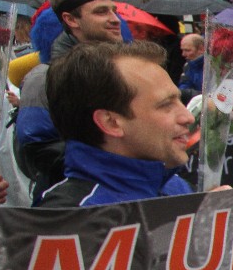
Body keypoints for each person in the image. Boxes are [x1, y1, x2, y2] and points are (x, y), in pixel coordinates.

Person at [38, 41, 195, 207]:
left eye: (179, 100)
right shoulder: (74, 215)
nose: (188, 117)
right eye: (166, 105)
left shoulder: (173, 185)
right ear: (111, 122)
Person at [17, 0, 124, 200]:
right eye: (101, 12)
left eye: (114, 11)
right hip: (74, 206)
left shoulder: (127, 71)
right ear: (71, 19)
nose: (115, 19)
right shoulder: (44, 78)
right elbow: (37, 150)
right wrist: (114, 158)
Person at [177, 33, 205, 102]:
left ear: (201, 49)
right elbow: (184, 84)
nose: (183, 54)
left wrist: (188, 94)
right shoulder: (188, 65)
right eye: (182, 50)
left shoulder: (212, 67)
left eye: (187, 50)